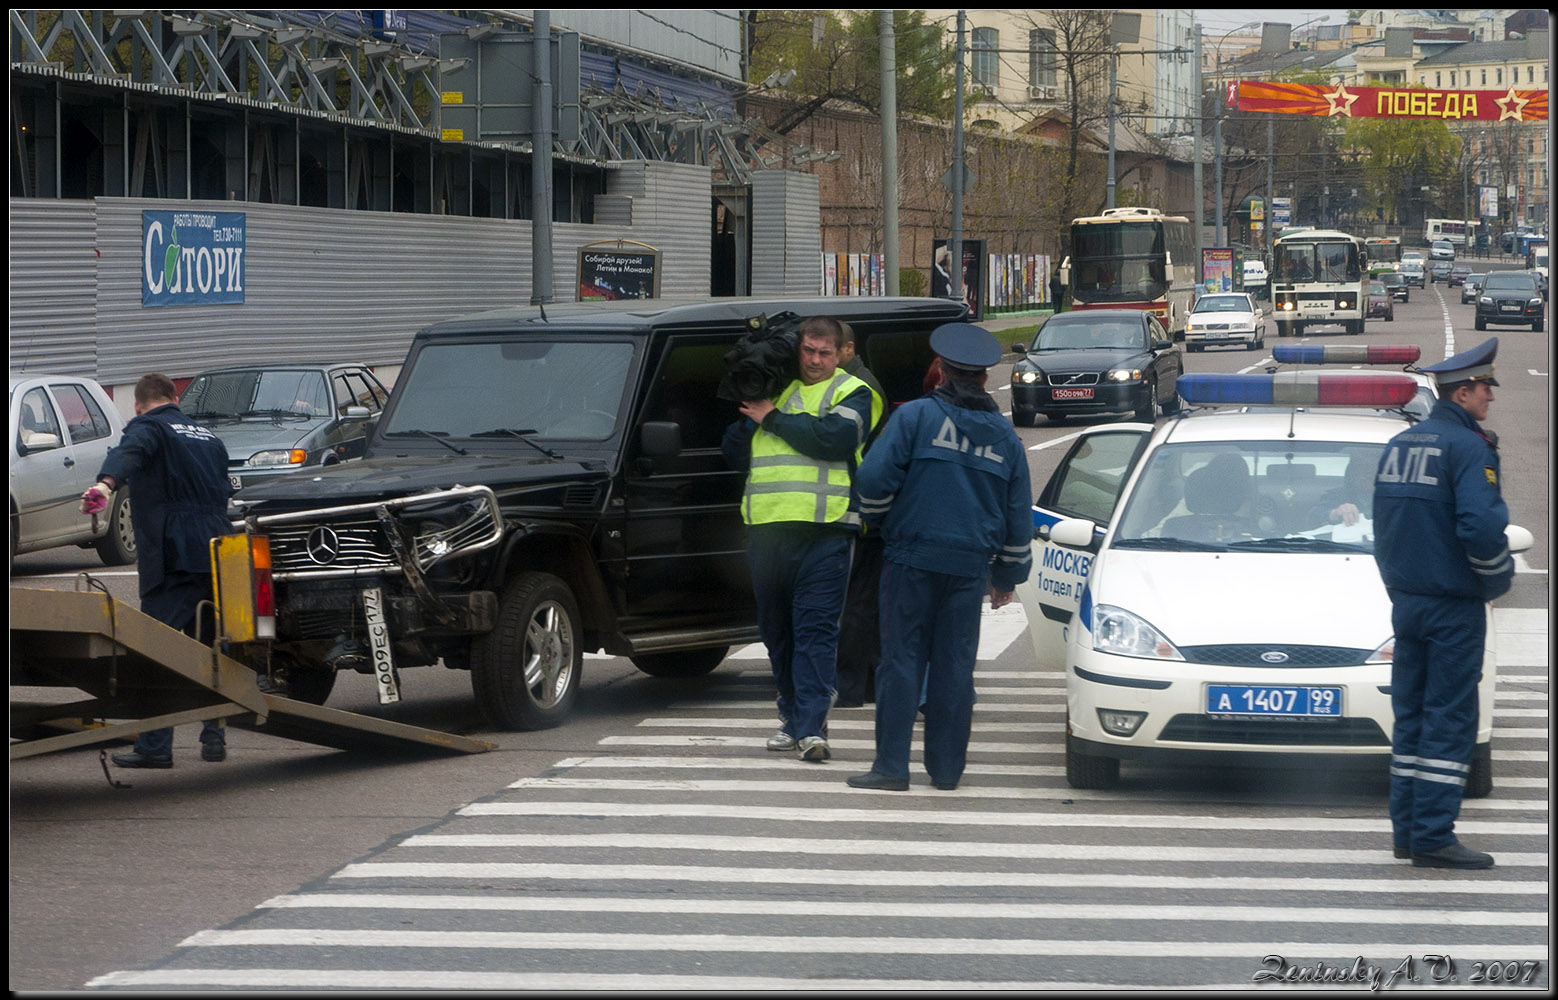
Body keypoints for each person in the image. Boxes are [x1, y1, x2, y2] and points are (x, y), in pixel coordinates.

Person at [846, 322, 1033, 792]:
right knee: (953, 667)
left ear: (942, 371)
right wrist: (1006, 577)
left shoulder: (915, 419)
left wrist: (882, 521)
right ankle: (947, 771)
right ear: (985, 379)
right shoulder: (1006, 440)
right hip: (968, 569)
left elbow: (871, 480)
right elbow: (1017, 517)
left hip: (910, 558)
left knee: (902, 661)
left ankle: (891, 767)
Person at [1373, 337, 1513, 870]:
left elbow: (1385, 525)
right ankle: (1433, 834)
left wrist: (1400, 587)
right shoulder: (1469, 448)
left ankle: (1407, 832)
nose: (1490, 399)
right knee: (1450, 719)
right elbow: (1480, 526)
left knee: (1410, 717)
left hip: (1406, 603)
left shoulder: (1400, 445)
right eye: (1485, 390)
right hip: (1453, 606)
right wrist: (1494, 580)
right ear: (1462, 392)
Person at [722, 316, 879, 762]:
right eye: (808, 351)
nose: (814, 360)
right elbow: (734, 454)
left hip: (825, 531)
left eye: (823, 352)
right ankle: (791, 721)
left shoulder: (853, 392)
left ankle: (812, 728)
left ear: (840, 352)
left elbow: (834, 439)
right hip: (768, 531)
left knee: (814, 631)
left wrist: (771, 418)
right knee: (777, 633)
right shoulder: (777, 388)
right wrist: (750, 415)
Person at [82, 373, 236, 768]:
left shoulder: (148, 428)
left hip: (175, 556)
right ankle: (214, 738)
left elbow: (127, 455)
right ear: (175, 398)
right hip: (218, 553)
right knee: (210, 649)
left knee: (156, 651)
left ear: (137, 405)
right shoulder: (208, 438)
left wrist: (104, 485)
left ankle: (154, 747)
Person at [834, 324, 887, 708]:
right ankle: (863, 681)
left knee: (857, 603)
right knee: (863, 602)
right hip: (860, 511)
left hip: (862, 515)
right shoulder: (852, 382)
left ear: (848, 349)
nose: (819, 361)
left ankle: (854, 686)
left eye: (829, 352)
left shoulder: (861, 389)